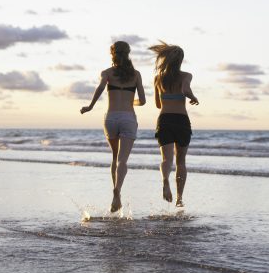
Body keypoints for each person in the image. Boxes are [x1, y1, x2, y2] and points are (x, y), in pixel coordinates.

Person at [80, 41, 146, 212]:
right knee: (123, 160)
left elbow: (100, 88)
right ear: (128, 53)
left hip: (111, 117)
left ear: (112, 54)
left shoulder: (107, 73)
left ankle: (116, 194)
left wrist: (90, 106)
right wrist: (130, 101)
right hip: (128, 117)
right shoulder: (136, 74)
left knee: (114, 157)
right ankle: (118, 190)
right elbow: (143, 101)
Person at [149, 41, 199, 207]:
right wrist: (192, 97)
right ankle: (179, 198)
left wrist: (167, 96)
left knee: (166, 159)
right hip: (181, 120)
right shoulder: (186, 76)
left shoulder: (158, 79)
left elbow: (158, 105)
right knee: (181, 162)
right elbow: (185, 89)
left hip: (164, 120)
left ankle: (165, 181)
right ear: (180, 60)